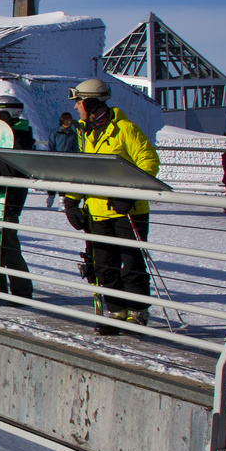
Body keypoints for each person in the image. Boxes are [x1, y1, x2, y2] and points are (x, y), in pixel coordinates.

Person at [62, 79, 160, 334]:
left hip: (128, 210)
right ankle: (116, 312)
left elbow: (149, 161)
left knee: (131, 263)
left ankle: (137, 313)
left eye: (79, 103)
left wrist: (129, 192)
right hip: (97, 210)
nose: (76, 108)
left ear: (91, 103)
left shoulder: (125, 128)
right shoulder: (84, 132)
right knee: (104, 265)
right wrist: (71, 199)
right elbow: (84, 170)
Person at [0, 95, 35, 300]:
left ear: (5, 113)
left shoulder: (19, 138)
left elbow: (11, 167)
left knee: (8, 245)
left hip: (8, 199)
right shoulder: (1, 136)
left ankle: (21, 291)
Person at [44, 111, 77, 210]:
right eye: (67, 119)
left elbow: (75, 148)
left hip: (67, 162)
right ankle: (50, 197)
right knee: (53, 180)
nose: (69, 122)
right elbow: (51, 146)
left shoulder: (72, 134)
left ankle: (62, 201)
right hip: (55, 161)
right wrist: (53, 158)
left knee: (64, 181)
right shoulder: (55, 133)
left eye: (70, 119)